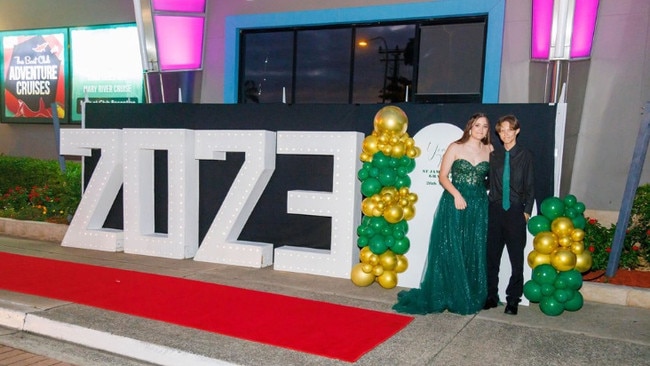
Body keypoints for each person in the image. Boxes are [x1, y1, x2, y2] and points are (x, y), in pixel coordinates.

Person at [393, 113, 492, 315]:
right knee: (451, 247)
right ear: (470, 127)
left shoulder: (490, 150)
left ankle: (469, 291)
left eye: (485, 126)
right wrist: (457, 195)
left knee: (473, 246)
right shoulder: (455, 147)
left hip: (479, 205)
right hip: (454, 203)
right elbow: (443, 176)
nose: (481, 129)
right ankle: (447, 293)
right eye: (477, 125)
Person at [483, 114, 535, 315]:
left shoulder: (525, 155)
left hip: (515, 212)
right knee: (491, 257)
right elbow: (487, 182)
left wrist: (526, 212)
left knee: (516, 259)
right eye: (502, 130)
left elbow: (530, 186)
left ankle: (513, 299)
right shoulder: (493, 155)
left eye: (509, 130)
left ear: (517, 131)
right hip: (495, 210)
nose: (505, 134)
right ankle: (491, 296)